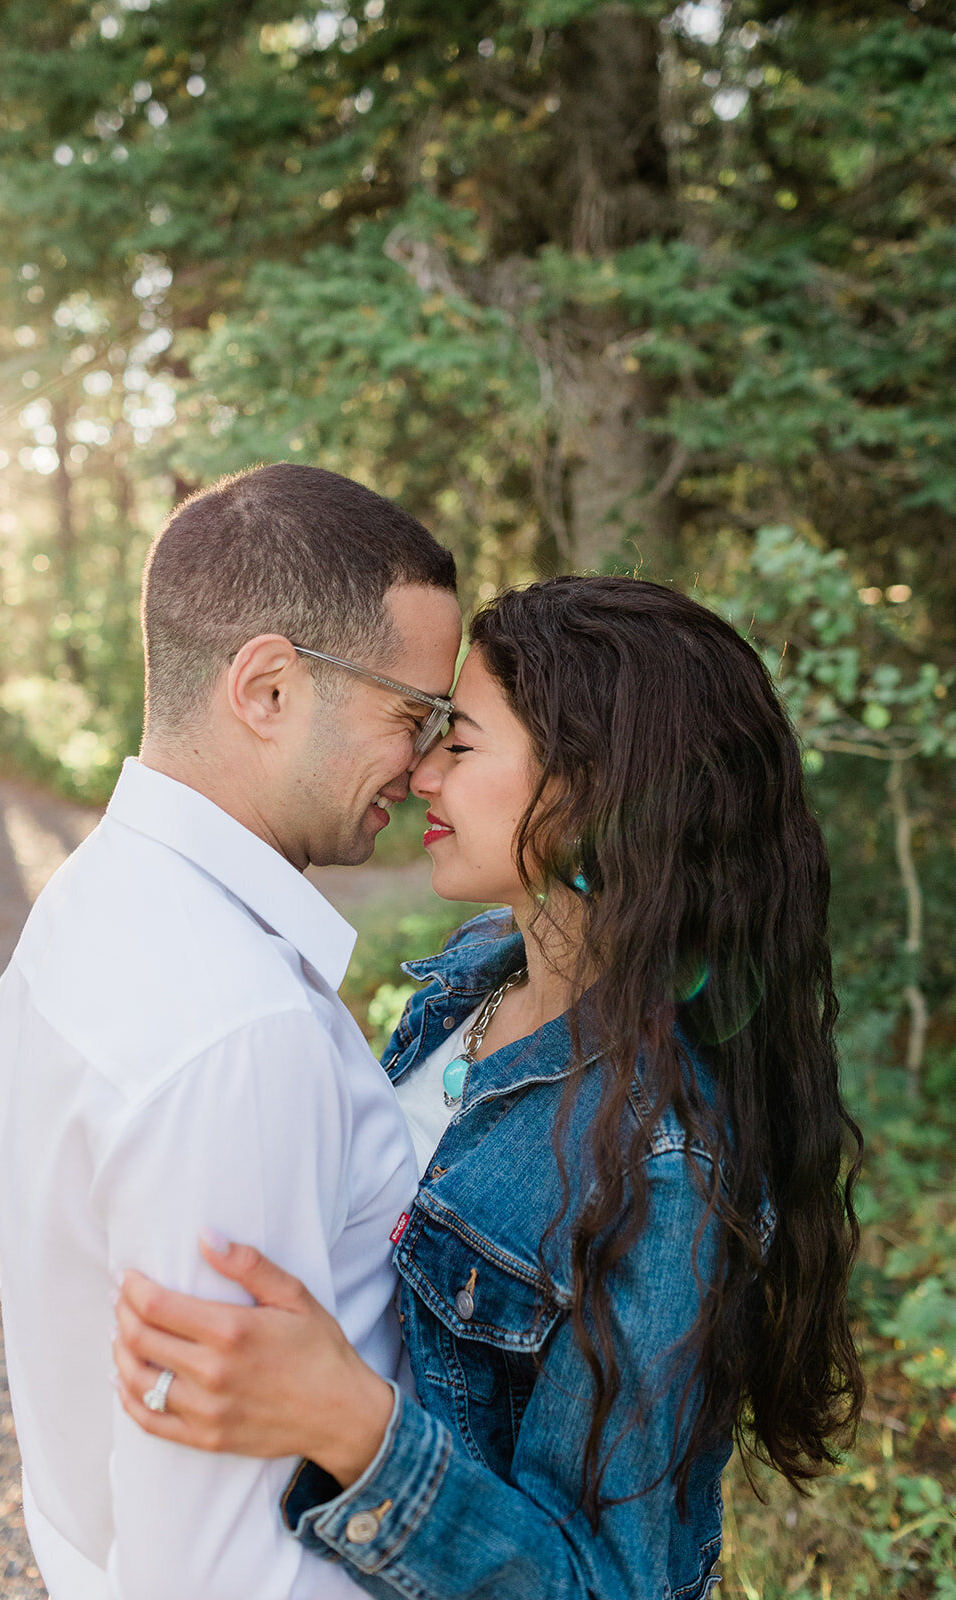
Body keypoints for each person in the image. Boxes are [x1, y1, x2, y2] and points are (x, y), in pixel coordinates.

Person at [113, 574, 865, 1600]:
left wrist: (346, 1421)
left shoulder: (660, 1164)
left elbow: (604, 1585)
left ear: (588, 789)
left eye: (459, 745)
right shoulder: (475, 968)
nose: (419, 771)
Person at [0, 463, 464, 1600]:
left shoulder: (87, 906)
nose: (429, 761)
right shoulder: (234, 1028)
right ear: (269, 688)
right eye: (412, 714)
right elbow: (223, 1562)